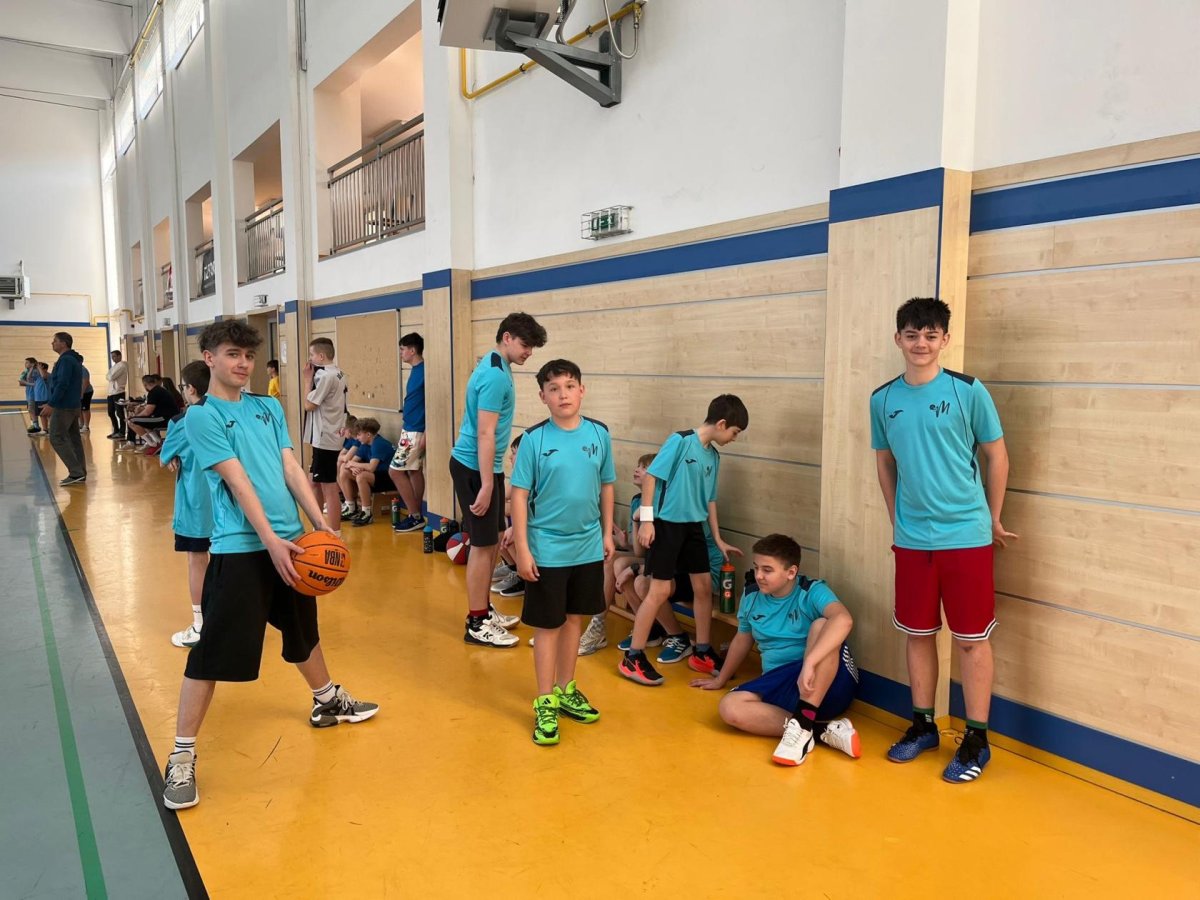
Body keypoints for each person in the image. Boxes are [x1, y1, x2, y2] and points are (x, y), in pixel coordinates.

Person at [161, 319, 378, 812]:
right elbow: (237, 482)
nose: (242, 364)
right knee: (212, 652)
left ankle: (326, 700)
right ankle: (182, 755)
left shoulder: (268, 407)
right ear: (210, 358)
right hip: (241, 549)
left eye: (248, 356)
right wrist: (269, 541)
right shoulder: (202, 417)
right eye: (232, 354)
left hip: (294, 542)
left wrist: (319, 524)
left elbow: (290, 468)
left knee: (304, 629)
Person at [871, 296, 1017, 784]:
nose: (921, 343)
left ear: (945, 340)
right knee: (918, 633)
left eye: (931, 335)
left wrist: (992, 518)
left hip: (965, 536)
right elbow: (884, 462)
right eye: (912, 335)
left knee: (972, 641)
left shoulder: (968, 391)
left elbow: (997, 456)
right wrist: (896, 521)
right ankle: (923, 726)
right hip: (914, 540)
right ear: (898, 339)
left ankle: (976, 739)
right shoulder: (882, 399)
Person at [510, 359, 614, 745]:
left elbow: (606, 484)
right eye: (553, 388)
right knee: (548, 625)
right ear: (543, 397)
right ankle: (545, 700)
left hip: (586, 547)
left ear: (582, 390)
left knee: (574, 620)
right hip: (547, 549)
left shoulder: (600, 434)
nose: (563, 394)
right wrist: (523, 549)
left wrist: (606, 533)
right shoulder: (534, 440)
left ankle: (566, 689)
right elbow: (519, 496)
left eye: (570, 386)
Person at [690, 533, 862, 767]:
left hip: (827, 682)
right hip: (783, 685)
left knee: (822, 625)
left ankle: (804, 723)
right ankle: (818, 729)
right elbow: (742, 639)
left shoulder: (811, 590)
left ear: (791, 572)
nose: (759, 575)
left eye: (767, 570)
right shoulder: (751, 596)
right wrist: (721, 679)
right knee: (729, 708)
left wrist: (810, 662)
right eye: (756, 567)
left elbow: (844, 620)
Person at [620, 395, 748, 686]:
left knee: (703, 588)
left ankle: (701, 651)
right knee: (659, 591)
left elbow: (710, 500)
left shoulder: (714, 457)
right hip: (667, 526)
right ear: (722, 424)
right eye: (735, 432)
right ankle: (633, 657)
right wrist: (648, 521)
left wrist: (718, 539)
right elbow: (651, 478)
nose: (734, 438)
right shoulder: (680, 441)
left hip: (694, 528)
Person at [449, 311, 547, 648]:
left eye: (532, 347)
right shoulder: (495, 376)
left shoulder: (496, 364)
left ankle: (484, 608)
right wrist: (488, 483)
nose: (529, 352)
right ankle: (477, 622)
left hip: (484, 467)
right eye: (525, 344)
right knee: (481, 546)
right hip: (476, 468)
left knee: (492, 540)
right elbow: (485, 433)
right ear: (507, 337)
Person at [160, 360, 214, 649]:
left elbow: (166, 455)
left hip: (197, 505)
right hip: (232, 505)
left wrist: (173, 456)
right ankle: (229, 618)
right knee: (229, 560)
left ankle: (201, 625)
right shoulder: (228, 413)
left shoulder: (183, 422)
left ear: (191, 389)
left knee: (197, 560)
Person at [301, 338, 348, 536]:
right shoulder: (338, 372)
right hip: (328, 434)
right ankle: (318, 527)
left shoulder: (326, 376)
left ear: (321, 356)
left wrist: (307, 380)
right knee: (314, 482)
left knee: (328, 485)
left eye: (312, 355)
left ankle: (335, 533)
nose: (310, 359)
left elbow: (309, 405)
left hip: (326, 436)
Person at [389, 333, 427, 533]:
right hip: (409, 428)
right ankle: (416, 513)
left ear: (413, 350)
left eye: (403, 349)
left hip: (416, 430)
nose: (401, 353)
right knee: (414, 470)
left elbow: (431, 403)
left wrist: (427, 431)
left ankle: (414, 516)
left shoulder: (425, 371)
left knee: (395, 472)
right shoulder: (415, 370)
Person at [46, 332, 87, 486]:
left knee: (56, 437)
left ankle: (76, 472)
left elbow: (62, 383)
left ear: (64, 343)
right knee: (73, 439)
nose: (52, 343)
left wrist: (52, 403)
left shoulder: (66, 360)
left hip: (64, 406)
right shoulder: (71, 359)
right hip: (73, 404)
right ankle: (80, 472)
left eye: (55, 341)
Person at [337, 418, 395, 527]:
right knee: (344, 469)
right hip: (376, 476)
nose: (357, 437)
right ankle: (351, 507)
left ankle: (366, 513)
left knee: (361, 476)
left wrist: (354, 465)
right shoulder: (365, 444)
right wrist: (352, 467)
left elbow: (371, 467)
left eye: (359, 434)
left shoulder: (378, 443)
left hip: (389, 478)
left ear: (368, 434)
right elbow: (350, 462)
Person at [127, 374, 181, 455]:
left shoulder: (154, 392)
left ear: (145, 384)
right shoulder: (160, 390)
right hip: (169, 417)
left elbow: (147, 412)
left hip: (163, 418)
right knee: (144, 422)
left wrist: (135, 416)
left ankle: (152, 444)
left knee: (131, 421)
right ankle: (158, 442)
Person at [106, 349, 129, 438]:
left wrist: (109, 376)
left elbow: (111, 377)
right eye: (112, 357)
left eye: (114, 356)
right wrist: (109, 376)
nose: (113, 358)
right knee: (110, 412)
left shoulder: (122, 366)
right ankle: (115, 430)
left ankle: (122, 432)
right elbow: (107, 376)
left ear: (119, 356)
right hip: (111, 393)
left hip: (119, 392)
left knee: (119, 413)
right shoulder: (115, 366)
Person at [19, 358, 42, 433]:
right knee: (31, 409)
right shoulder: (26, 371)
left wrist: (29, 383)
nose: (25, 364)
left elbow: (30, 379)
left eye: (27, 362)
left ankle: (37, 426)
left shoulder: (36, 371)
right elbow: (20, 382)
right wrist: (29, 384)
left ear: (32, 363)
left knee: (33, 409)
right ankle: (35, 425)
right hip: (29, 393)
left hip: (35, 393)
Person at [33, 363, 51, 433]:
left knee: (48, 414)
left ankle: (51, 428)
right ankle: (45, 429)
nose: (36, 369)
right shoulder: (37, 376)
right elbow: (28, 377)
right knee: (41, 414)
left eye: (38, 368)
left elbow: (44, 376)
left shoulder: (47, 375)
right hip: (38, 398)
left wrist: (40, 368)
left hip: (45, 398)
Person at [79, 364, 94, 433]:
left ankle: (86, 426)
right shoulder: (75, 369)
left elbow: (85, 382)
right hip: (79, 392)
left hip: (86, 392)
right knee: (79, 409)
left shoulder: (83, 370)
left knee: (85, 409)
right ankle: (81, 424)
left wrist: (82, 393)